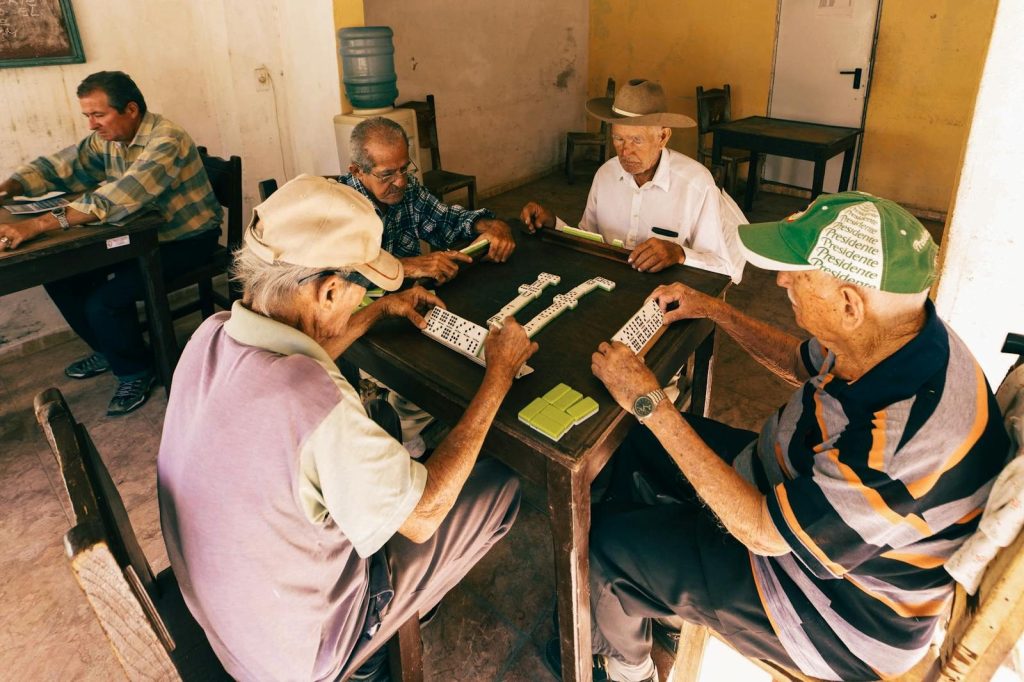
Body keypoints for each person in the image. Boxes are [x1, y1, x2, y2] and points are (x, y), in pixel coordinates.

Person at [558, 191, 1011, 681]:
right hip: (781, 482)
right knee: (630, 442)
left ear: (848, 304)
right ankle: (651, 598)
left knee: (604, 545)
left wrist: (650, 401)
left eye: (799, 273)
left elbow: (762, 532)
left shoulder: (904, 444)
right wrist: (714, 310)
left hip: (827, 611)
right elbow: (801, 362)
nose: (781, 280)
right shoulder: (898, 334)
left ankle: (631, 670)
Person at [158, 175, 537, 681]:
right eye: (362, 292)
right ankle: (390, 632)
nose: (364, 300)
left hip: (225, 612)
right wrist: (498, 375)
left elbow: (292, 358)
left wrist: (379, 310)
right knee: (500, 485)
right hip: (302, 651)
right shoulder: (312, 400)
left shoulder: (211, 335)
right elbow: (424, 518)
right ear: (330, 289)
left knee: (381, 436)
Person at [0, 71, 222, 415]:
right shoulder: (108, 139)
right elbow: (61, 166)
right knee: (61, 276)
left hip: (187, 239)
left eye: (98, 115)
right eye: (87, 116)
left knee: (103, 302)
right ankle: (110, 348)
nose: (91, 125)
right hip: (141, 237)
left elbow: (121, 196)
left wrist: (40, 225)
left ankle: (136, 370)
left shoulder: (166, 139)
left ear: (130, 109)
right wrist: (8, 187)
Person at [521, 79, 746, 282]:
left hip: (670, 293)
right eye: (618, 139)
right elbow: (590, 239)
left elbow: (723, 267)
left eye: (636, 140)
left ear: (663, 137)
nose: (625, 151)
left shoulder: (696, 185)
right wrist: (554, 225)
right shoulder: (605, 175)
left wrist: (679, 254)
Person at [339, 116, 516, 285]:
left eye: (404, 168)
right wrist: (405, 267)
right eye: (387, 174)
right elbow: (338, 277)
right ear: (357, 171)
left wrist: (490, 226)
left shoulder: (408, 189)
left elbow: (445, 220)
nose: (400, 182)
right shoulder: (336, 208)